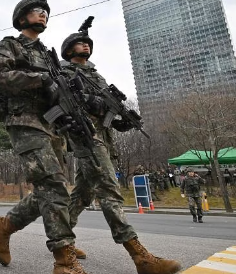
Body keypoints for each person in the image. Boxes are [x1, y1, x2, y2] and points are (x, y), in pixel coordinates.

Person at [60, 18, 180, 274]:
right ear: (69, 50)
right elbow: (64, 100)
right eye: (80, 44)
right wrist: (90, 102)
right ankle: (140, 256)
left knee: (82, 194)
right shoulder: (65, 72)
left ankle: (63, 242)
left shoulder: (96, 75)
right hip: (85, 136)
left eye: (87, 44)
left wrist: (121, 120)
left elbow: (106, 107)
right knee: (109, 190)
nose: (86, 47)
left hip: (102, 137)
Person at [0, 0, 87, 274]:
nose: (43, 14)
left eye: (45, 11)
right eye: (36, 10)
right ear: (22, 18)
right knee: (54, 186)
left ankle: (5, 225)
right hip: (25, 122)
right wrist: (42, 79)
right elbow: (0, 77)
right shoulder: (9, 45)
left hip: (53, 126)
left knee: (49, 187)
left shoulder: (49, 55)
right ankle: (64, 261)